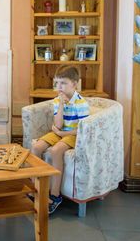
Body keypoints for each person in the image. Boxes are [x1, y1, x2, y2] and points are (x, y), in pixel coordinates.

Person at [31, 65, 90, 214]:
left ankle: (55, 195)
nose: (59, 87)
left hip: (73, 134)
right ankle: (36, 189)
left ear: (74, 84)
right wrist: (62, 104)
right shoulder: (58, 100)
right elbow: (58, 125)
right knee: (36, 148)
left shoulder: (81, 103)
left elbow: (83, 129)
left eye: (63, 83)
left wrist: (62, 134)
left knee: (56, 151)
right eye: (57, 83)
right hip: (60, 131)